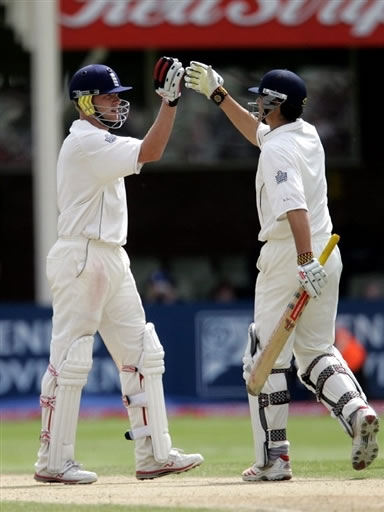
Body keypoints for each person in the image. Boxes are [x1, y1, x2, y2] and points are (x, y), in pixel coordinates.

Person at [184, 63, 379, 480]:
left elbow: (294, 206)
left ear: (274, 103)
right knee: (316, 354)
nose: (256, 103)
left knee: (264, 359)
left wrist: (303, 261)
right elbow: (258, 133)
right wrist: (219, 96)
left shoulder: (276, 149)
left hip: (292, 255)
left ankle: (274, 459)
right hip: (328, 252)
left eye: (261, 98)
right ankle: (358, 411)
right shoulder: (305, 134)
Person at [34, 59, 204, 484]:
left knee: (144, 354)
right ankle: (53, 461)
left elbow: (145, 151)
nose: (117, 103)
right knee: (71, 359)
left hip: (110, 255)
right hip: (81, 255)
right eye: (110, 96)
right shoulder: (86, 143)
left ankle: (154, 454)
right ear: (86, 102)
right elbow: (152, 151)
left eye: (118, 97)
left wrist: (168, 102)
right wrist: (169, 101)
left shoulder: (101, 141)